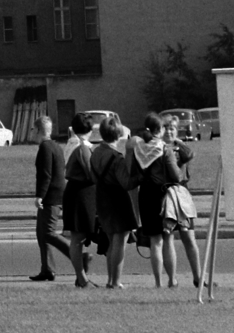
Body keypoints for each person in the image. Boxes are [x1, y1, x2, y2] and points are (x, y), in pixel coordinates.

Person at [133, 113, 202, 289]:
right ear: (160, 129)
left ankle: (162, 282)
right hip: (166, 195)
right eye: (166, 128)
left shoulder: (140, 147)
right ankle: (172, 280)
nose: (169, 132)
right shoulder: (165, 149)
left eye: (172, 129)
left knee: (161, 240)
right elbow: (177, 176)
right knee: (167, 237)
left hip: (148, 194)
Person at [88, 114, 139, 289]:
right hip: (117, 199)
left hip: (101, 198)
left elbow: (93, 177)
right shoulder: (117, 158)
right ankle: (115, 281)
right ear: (118, 135)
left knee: (111, 240)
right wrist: (139, 173)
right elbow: (127, 182)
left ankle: (111, 280)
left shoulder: (95, 153)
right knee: (120, 241)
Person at [30, 115, 71, 281]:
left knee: (48, 233)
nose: (31, 132)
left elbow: (45, 175)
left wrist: (40, 195)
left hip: (51, 196)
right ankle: (47, 269)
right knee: (41, 233)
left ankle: (79, 256)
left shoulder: (45, 148)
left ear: (39, 130)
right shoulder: (55, 146)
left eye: (33, 129)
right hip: (56, 194)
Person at [59, 113, 98, 287]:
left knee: (77, 238)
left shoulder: (70, 144)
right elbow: (91, 173)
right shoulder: (82, 147)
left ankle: (80, 275)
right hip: (82, 193)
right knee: (78, 238)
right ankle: (81, 277)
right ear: (90, 129)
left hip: (75, 191)